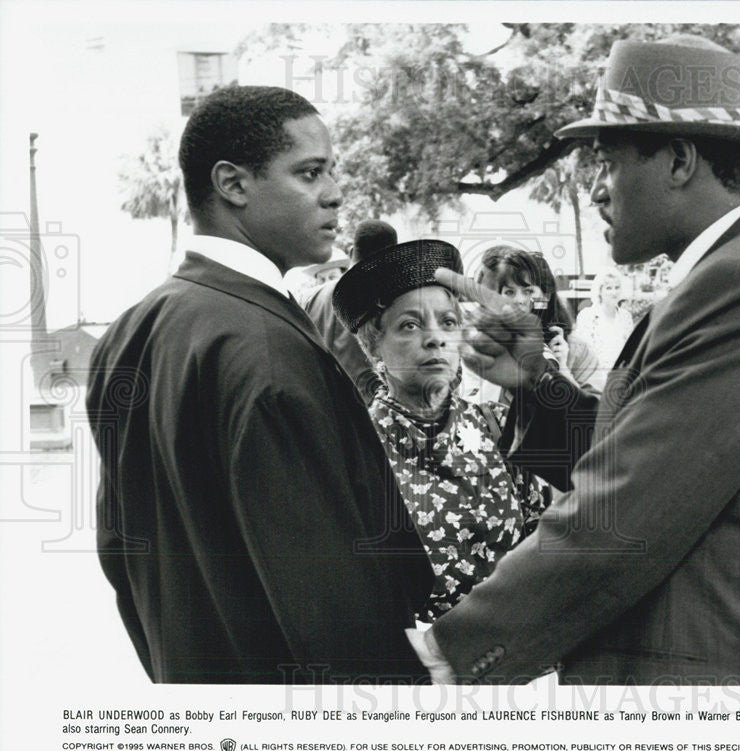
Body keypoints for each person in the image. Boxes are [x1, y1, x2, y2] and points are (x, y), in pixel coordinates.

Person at [410, 35, 740, 685]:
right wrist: (538, 381)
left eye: (609, 162)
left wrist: (446, 654)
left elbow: (619, 519)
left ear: (679, 159)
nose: (598, 191)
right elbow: (655, 462)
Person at [86, 86, 433, 683]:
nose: (335, 192)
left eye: (332, 171)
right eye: (309, 172)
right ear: (233, 184)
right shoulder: (266, 350)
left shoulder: (131, 329)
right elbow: (331, 603)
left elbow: (123, 557)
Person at [330, 238, 546, 622]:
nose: (435, 338)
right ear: (374, 346)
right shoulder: (356, 452)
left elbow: (545, 539)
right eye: (410, 325)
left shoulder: (497, 423)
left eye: (448, 322)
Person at [477, 246, 600, 396]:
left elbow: (598, 412)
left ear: (546, 296)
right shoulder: (487, 345)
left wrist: (562, 370)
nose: (519, 300)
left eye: (528, 291)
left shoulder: (577, 350)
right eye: (509, 292)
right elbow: (474, 407)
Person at [300, 220, 399, 403]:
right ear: (393, 257)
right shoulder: (395, 302)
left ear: (352, 252)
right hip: (374, 414)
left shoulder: (309, 299)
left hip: (322, 408)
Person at [574, 269, 634, 389]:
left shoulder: (625, 316)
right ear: (600, 291)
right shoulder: (587, 316)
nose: (614, 292)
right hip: (595, 379)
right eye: (608, 288)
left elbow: (631, 350)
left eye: (617, 287)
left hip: (621, 378)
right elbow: (583, 353)